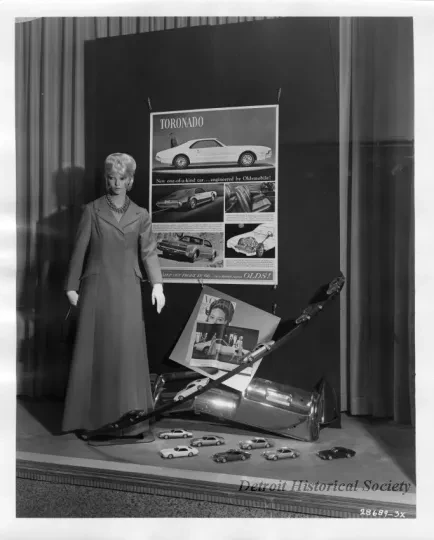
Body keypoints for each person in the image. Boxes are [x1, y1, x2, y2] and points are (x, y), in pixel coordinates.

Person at [62, 153, 165, 441]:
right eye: (111, 177)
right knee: (96, 352)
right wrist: (71, 286)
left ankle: (131, 422)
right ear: (106, 179)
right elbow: (80, 250)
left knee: (127, 351)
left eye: (122, 178)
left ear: (130, 181)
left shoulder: (141, 214)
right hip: (96, 288)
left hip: (128, 289)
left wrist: (157, 285)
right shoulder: (92, 210)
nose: (116, 183)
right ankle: (92, 420)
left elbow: (149, 252)